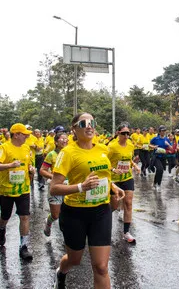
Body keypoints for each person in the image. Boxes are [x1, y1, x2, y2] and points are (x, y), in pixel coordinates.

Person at [50, 113, 124, 289]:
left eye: (92, 122)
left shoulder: (103, 149)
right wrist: (81, 187)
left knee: (101, 267)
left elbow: (103, 176)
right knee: (74, 260)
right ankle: (61, 271)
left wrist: (112, 186)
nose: (89, 126)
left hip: (101, 211)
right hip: (75, 213)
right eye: (84, 123)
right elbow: (54, 188)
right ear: (74, 129)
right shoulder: (68, 152)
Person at [0, 123, 35, 260]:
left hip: (23, 189)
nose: (27, 136)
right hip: (6, 190)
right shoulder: (4, 148)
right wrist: (10, 165)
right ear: (16, 135)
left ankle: (24, 246)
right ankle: (2, 229)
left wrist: (31, 168)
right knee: (5, 217)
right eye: (24, 134)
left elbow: (28, 163)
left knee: (25, 216)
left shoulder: (26, 148)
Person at [108, 123, 140, 243]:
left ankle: (126, 232)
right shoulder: (112, 146)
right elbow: (104, 161)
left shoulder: (130, 145)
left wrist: (135, 165)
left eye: (128, 133)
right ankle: (99, 221)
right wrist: (113, 169)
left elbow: (128, 159)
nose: (126, 135)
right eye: (124, 133)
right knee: (114, 206)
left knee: (128, 203)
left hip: (127, 177)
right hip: (114, 180)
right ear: (118, 133)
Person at [40, 132, 69, 237]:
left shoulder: (71, 153)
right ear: (56, 142)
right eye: (62, 139)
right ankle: (48, 222)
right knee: (55, 215)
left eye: (66, 138)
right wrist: (54, 177)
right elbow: (42, 170)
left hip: (69, 188)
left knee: (68, 213)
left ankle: (67, 234)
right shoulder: (51, 154)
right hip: (56, 187)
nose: (65, 140)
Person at [149, 125, 171, 191]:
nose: (163, 132)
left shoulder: (167, 139)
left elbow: (170, 148)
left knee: (160, 171)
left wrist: (168, 145)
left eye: (164, 131)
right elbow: (149, 144)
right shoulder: (156, 138)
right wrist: (153, 147)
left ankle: (156, 183)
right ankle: (157, 184)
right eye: (162, 131)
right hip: (156, 157)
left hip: (163, 157)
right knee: (160, 169)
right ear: (159, 131)